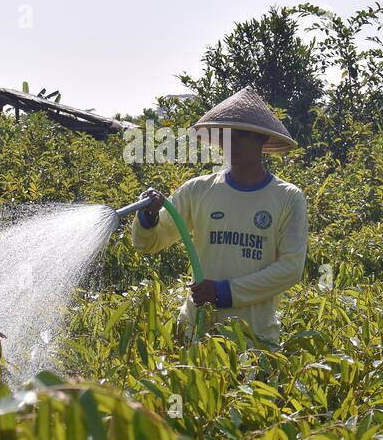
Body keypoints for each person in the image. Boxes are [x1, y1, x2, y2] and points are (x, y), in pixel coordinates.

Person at [131, 86, 308, 346]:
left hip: (255, 339)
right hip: (197, 332)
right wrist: (148, 217)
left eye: (243, 134)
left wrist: (224, 292)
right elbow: (147, 244)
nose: (233, 142)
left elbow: (290, 269)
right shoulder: (198, 190)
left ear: (262, 140)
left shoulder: (287, 197)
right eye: (228, 134)